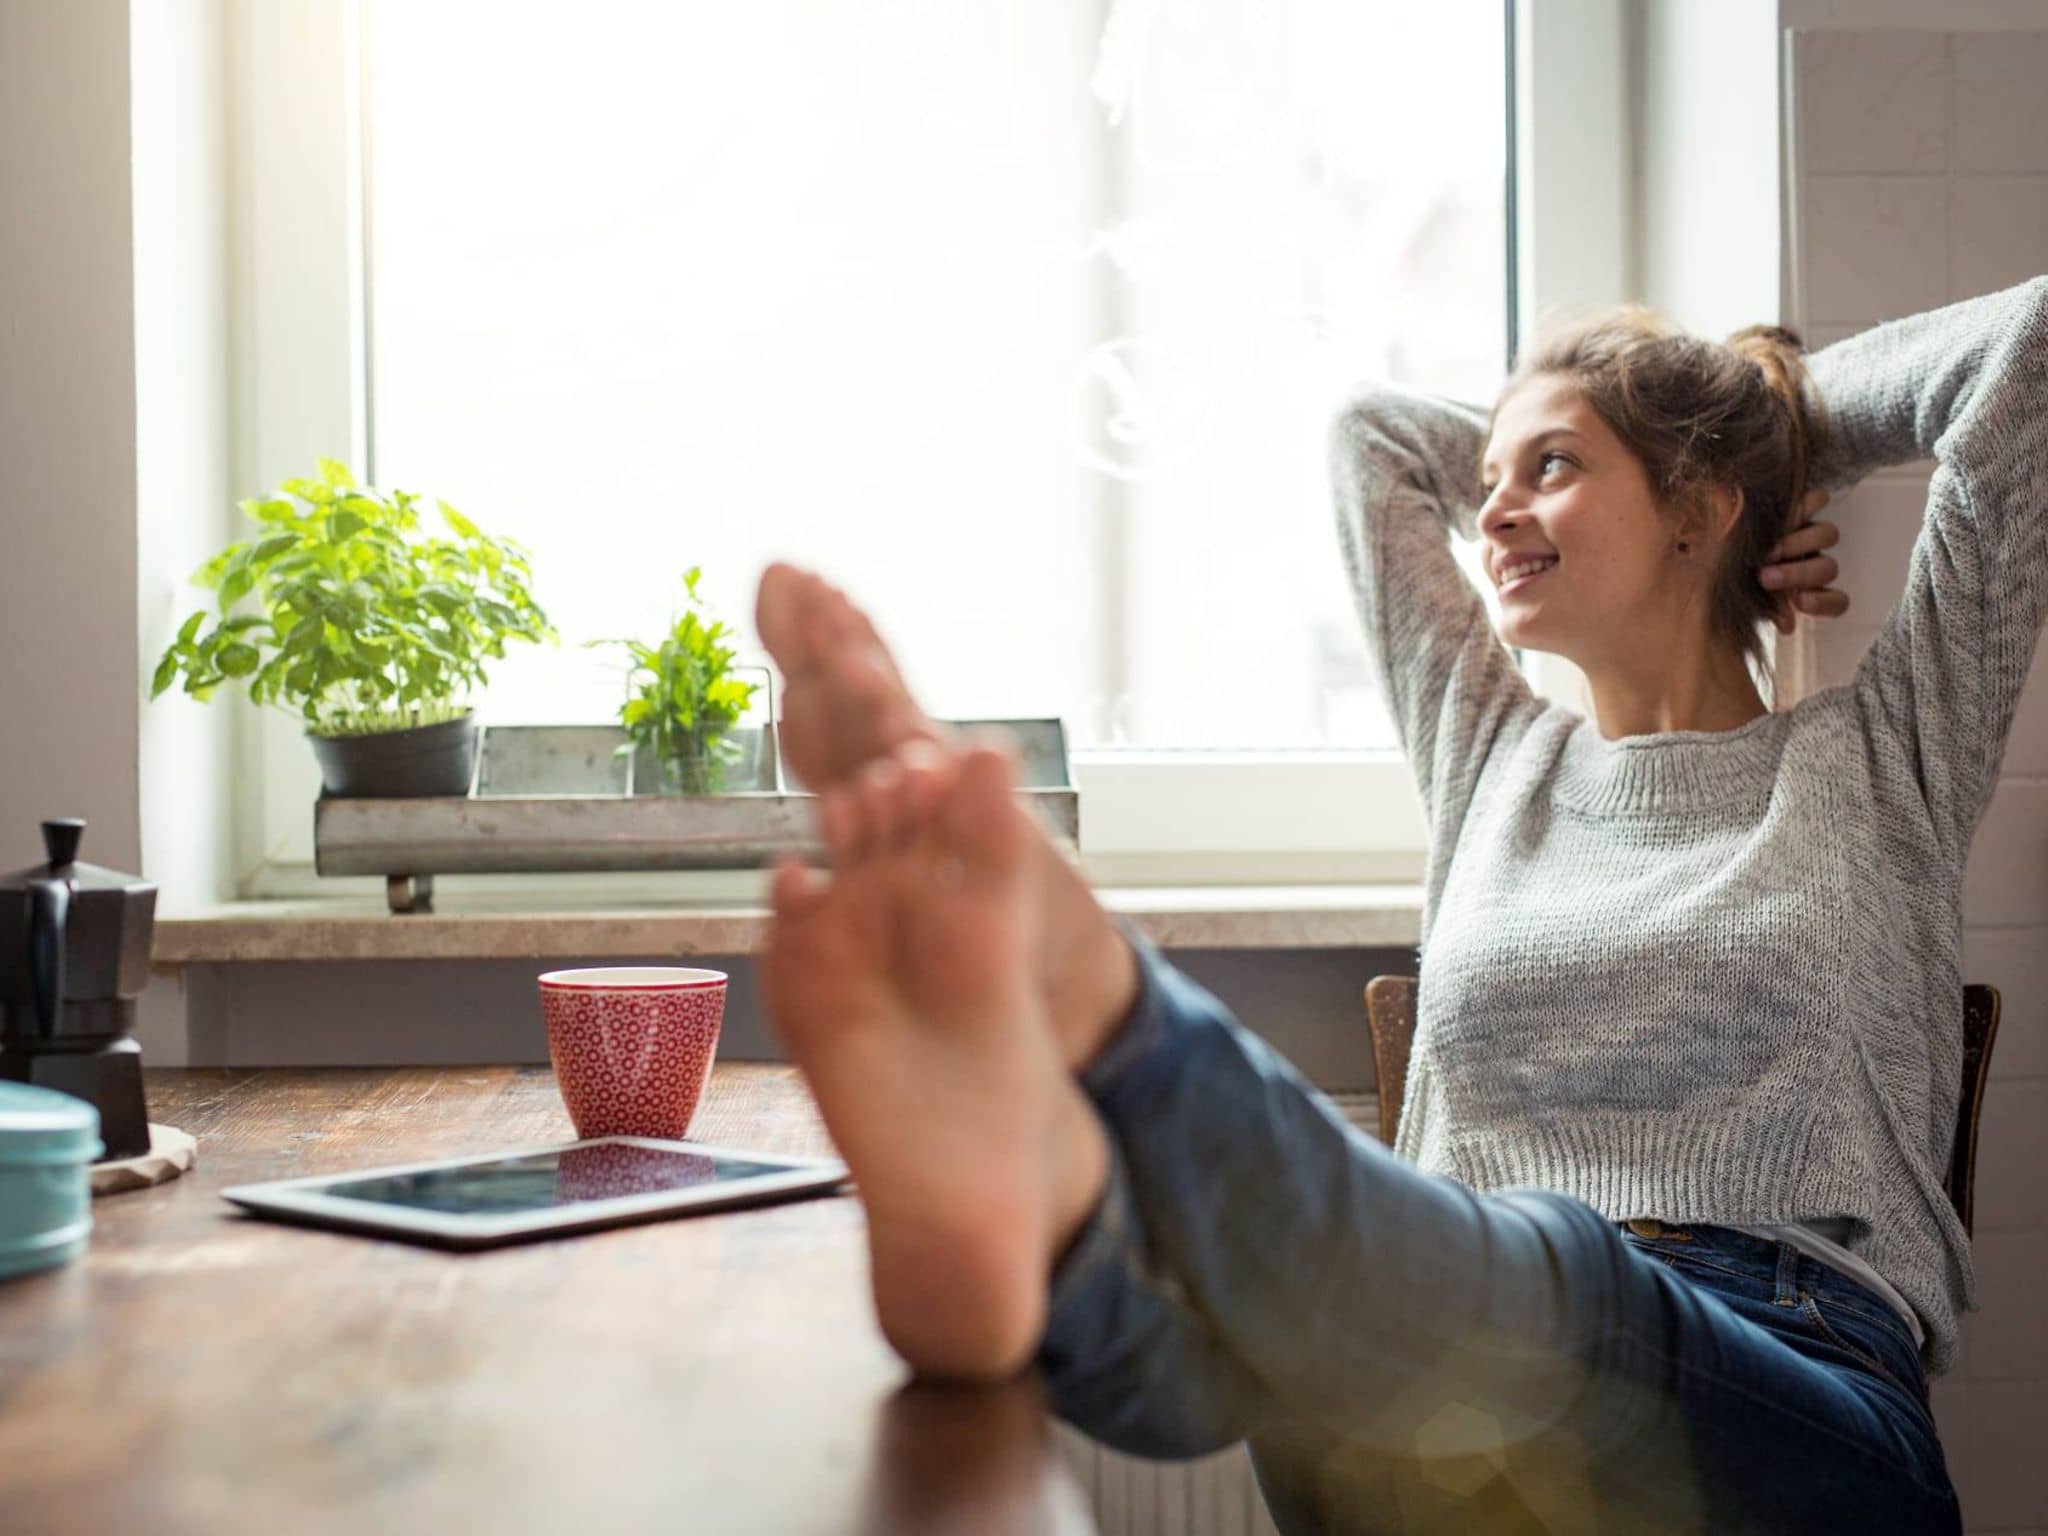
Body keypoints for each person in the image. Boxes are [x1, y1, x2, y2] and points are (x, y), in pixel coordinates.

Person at [754, 275, 2047, 1533]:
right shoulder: (1492, 752)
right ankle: (1033, 1259)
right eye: (1486, 482)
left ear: (1698, 509)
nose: (1492, 515)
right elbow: (1367, 438)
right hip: (1446, 1356)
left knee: (1553, 1294)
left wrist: (1776, 421)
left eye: (1551, 468)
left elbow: (2021, 351)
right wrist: (1609, 442)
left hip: (1784, 1382)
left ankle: (1094, 1092)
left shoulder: (1885, 757)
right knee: (1322, 1354)